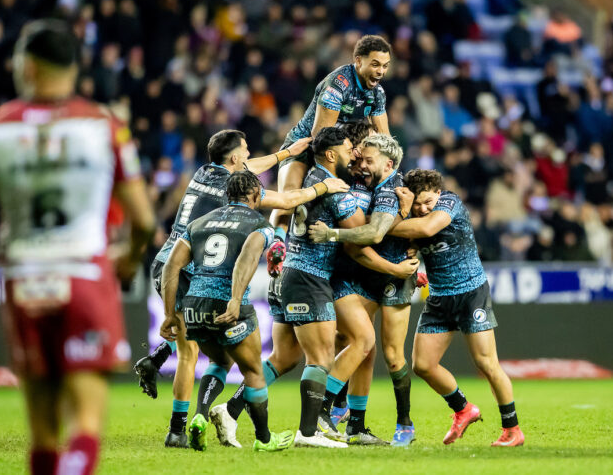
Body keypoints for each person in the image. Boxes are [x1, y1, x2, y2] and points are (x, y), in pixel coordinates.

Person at [0, 20, 156, 475]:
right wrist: (128, 260)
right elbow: (146, 220)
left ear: (28, 67)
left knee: (42, 435)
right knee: (86, 426)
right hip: (85, 276)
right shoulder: (103, 126)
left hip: (22, 279)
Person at [208, 120, 418, 448]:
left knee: (284, 358)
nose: (355, 156)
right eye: (350, 151)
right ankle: (313, 427)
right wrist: (399, 219)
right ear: (332, 154)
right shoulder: (334, 188)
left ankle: (231, 409)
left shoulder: (310, 179)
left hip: (286, 276)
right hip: (310, 278)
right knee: (334, 352)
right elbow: (365, 237)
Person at [134, 129, 348, 448]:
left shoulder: (206, 171)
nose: (249, 156)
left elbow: (250, 168)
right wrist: (323, 186)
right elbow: (288, 200)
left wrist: (285, 154)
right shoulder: (242, 202)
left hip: (168, 260)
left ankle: (160, 362)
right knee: (193, 354)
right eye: (245, 151)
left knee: (193, 340)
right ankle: (179, 429)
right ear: (235, 158)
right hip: (195, 267)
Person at [159, 170, 294, 452]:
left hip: (194, 308)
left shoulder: (198, 224)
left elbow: (172, 266)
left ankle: (198, 415)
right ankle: (264, 439)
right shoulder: (257, 223)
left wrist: (170, 313)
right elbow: (247, 256)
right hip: (229, 306)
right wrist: (234, 299)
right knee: (254, 371)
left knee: (219, 362)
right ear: (256, 196)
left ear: (226, 195)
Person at [389, 169, 525, 447]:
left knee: (487, 364)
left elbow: (425, 230)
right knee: (423, 365)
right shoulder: (411, 217)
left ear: (438, 193)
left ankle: (512, 429)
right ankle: (464, 409)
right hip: (439, 298)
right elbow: (411, 247)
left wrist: (381, 226)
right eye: (417, 203)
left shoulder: (449, 203)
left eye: (428, 201)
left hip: (471, 293)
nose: (424, 208)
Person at [308, 134, 418, 446]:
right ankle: (344, 419)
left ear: (389, 163)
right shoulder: (358, 178)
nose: (361, 165)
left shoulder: (391, 189)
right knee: (362, 346)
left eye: (369, 160)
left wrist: (331, 234)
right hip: (360, 274)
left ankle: (403, 422)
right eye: (359, 158)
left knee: (393, 356)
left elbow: (375, 232)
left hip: (393, 277)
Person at [267, 35, 392, 278]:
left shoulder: (378, 94)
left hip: (343, 150)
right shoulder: (339, 85)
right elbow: (320, 136)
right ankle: (278, 244)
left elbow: (385, 138)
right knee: (289, 197)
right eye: (375, 64)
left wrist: (390, 170)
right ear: (358, 61)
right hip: (305, 145)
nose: (381, 71)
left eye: (385, 66)